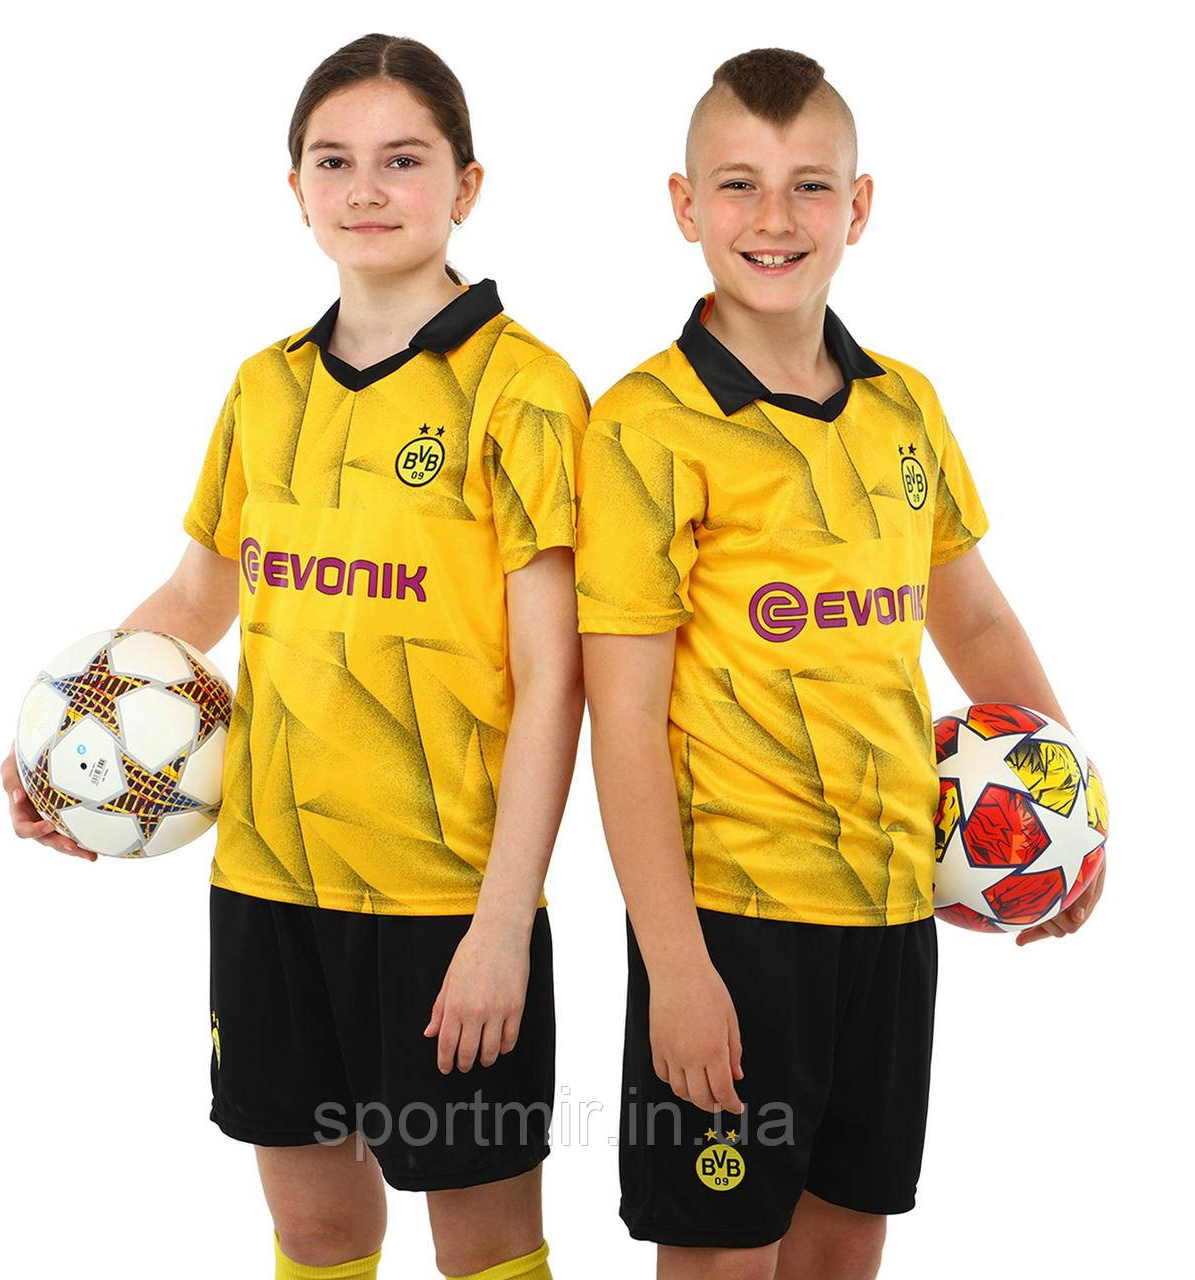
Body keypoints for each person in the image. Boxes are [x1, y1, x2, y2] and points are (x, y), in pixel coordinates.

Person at [1, 33, 586, 1280]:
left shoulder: (525, 392)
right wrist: (65, 745)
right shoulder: (264, 388)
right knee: (316, 1226)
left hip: (445, 898)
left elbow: (557, 676)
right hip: (268, 877)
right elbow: (197, 592)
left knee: (482, 1238)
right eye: (334, 161)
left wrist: (501, 922)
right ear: (296, 189)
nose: (365, 188)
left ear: (466, 185)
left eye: (402, 160)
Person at [575, 46, 1105, 1280]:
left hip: (891, 904)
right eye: (738, 185)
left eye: (808, 185)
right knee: (722, 1255)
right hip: (731, 924)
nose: (773, 218)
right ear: (683, 205)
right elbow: (624, 716)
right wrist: (674, 963)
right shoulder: (644, 426)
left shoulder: (901, 405)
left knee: (841, 1242)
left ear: (857, 207)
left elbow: (974, 621)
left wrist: (1069, 807)